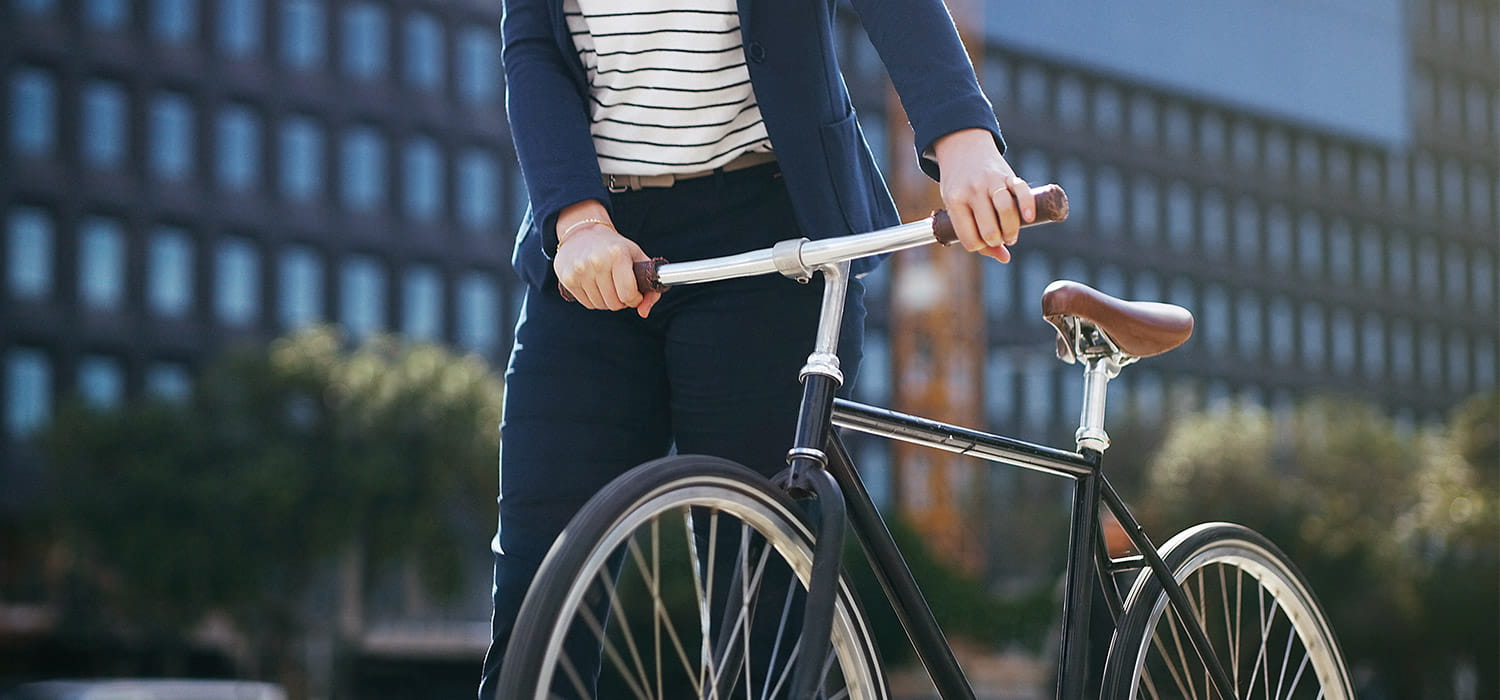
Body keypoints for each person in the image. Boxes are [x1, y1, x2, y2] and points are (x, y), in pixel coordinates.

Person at [479, 0, 1037, 696]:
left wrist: (963, 141)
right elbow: (532, 45)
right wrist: (578, 219)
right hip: (595, 254)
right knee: (537, 613)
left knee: (761, 627)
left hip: (771, 241)